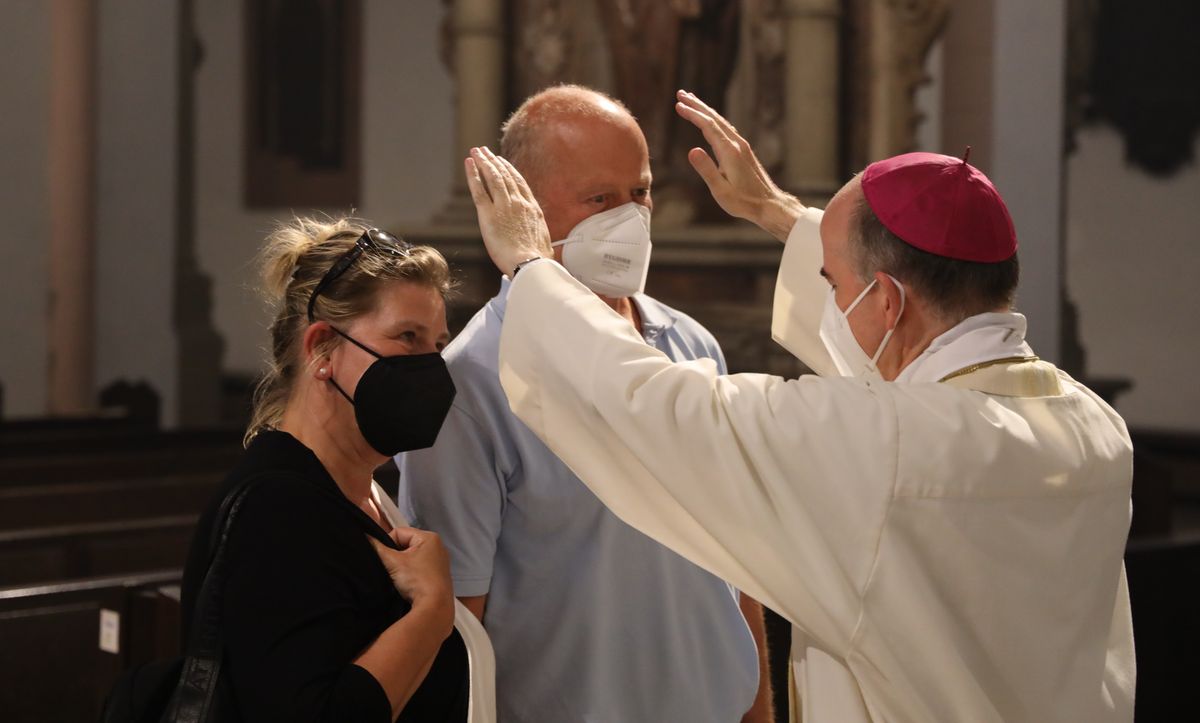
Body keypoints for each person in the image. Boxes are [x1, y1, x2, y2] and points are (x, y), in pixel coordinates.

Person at [461, 89, 1136, 723]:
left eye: (830, 280)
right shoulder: (1092, 426)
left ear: (886, 299)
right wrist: (776, 211)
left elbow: (652, 404)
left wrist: (531, 269)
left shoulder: (879, 447)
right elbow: (898, 353)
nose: (829, 303)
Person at [396, 85, 772, 723]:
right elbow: (457, 625)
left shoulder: (691, 344)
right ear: (525, 209)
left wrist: (759, 712)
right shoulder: (473, 382)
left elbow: (741, 561)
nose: (630, 219)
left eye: (641, 192)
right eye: (600, 199)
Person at [179, 217, 469, 722]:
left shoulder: (363, 490)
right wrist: (433, 610)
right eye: (407, 336)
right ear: (321, 350)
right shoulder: (279, 509)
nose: (430, 367)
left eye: (437, 345)